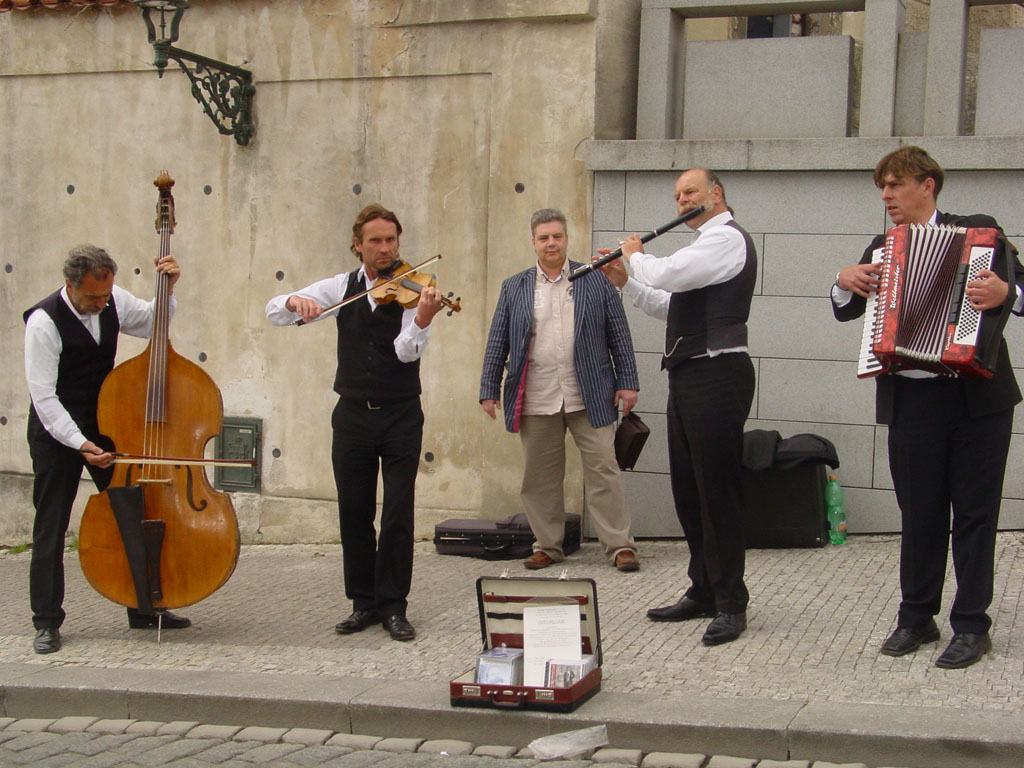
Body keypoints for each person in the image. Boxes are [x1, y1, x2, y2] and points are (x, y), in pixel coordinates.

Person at [832, 146, 1023, 669]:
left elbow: (1022, 288)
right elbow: (847, 310)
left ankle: (972, 625)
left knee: (975, 514)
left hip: (978, 399)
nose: (887, 196)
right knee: (919, 513)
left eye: (895, 184)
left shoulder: (981, 231)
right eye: (882, 187)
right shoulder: (882, 248)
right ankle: (917, 617)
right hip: (912, 399)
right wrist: (842, 281)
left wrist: (1006, 292)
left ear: (928, 185)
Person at [265, 203, 443, 642]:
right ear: (358, 246)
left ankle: (394, 606)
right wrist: (294, 301)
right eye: (375, 241)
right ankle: (363, 603)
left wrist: (422, 320)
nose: (385, 249)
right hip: (351, 416)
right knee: (354, 510)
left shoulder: (414, 288)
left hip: (400, 414)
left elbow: (405, 352)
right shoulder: (340, 287)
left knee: (398, 511)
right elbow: (274, 310)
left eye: (391, 240)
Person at [599, 169, 757, 646]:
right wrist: (626, 280)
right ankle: (704, 589)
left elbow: (667, 272)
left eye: (690, 192)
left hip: (719, 374)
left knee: (717, 491)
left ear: (716, 194)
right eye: (676, 196)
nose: (681, 201)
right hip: (689, 374)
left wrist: (635, 254)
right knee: (689, 490)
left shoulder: (725, 238)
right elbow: (671, 304)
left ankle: (731, 602)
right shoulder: (702, 248)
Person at [24, 245, 190, 655]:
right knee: (51, 527)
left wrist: (167, 290)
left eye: (105, 295)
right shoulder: (44, 322)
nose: (101, 303)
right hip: (56, 432)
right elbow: (44, 398)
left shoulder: (112, 298)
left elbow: (152, 323)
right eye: (92, 298)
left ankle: (143, 607)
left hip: (103, 423)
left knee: (131, 512)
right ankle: (46, 622)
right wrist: (80, 444)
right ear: (70, 285)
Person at [479, 208, 641, 572]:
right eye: (543, 238)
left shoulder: (595, 278)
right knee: (540, 478)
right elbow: (497, 341)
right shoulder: (514, 287)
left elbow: (618, 333)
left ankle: (619, 547)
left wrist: (627, 382)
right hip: (536, 397)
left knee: (604, 471)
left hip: (590, 394)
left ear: (566, 239)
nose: (551, 243)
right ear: (533, 242)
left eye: (557, 236)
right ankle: (548, 546)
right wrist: (489, 388)